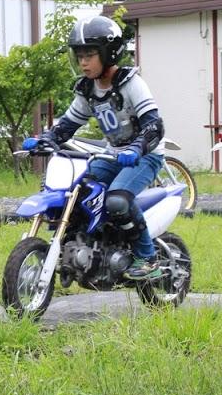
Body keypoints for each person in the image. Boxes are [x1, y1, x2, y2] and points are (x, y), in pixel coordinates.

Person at [23, 15, 167, 280]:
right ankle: (84, 248)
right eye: (79, 56)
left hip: (144, 156)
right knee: (76, 193)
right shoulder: (88, 90)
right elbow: (67, 124)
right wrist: (46, 138)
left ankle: (147, 258)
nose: (83, 62)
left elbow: (154, 126)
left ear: (108, 53)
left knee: (117, 200)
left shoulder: (131, 83)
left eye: (89, 54)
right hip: (113, 155)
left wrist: (136, 149)